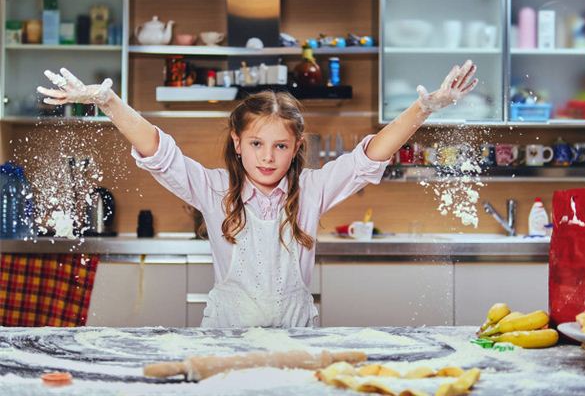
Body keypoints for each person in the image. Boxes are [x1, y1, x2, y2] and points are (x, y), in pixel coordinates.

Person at [37, 61, 477, 328]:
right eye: (256, 144)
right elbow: (159, 151)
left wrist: (423, 108)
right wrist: (111, 104)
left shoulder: (313, 190)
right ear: (236, 141)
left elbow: (370, 155)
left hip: (297, 336)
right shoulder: (213, 189)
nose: (268, 158)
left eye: (280, 146)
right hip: (226, 335)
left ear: (296, 148)